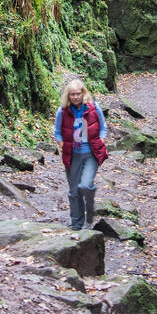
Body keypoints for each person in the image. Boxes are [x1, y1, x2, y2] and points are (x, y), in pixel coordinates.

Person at [53, 76, 108, 230]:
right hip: (73, 155)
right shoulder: (62, 112)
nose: (76, 97)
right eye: (72, 94)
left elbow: (103, 127)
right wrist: (62, 143)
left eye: (78, 93)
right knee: (74, 191)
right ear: (68, 96)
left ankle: (89, 215)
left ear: (83, 93)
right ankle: (77, 224)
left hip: (91, 154)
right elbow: (57, 132)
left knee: (85, 185)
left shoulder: (93, 107)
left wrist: (101, 140)